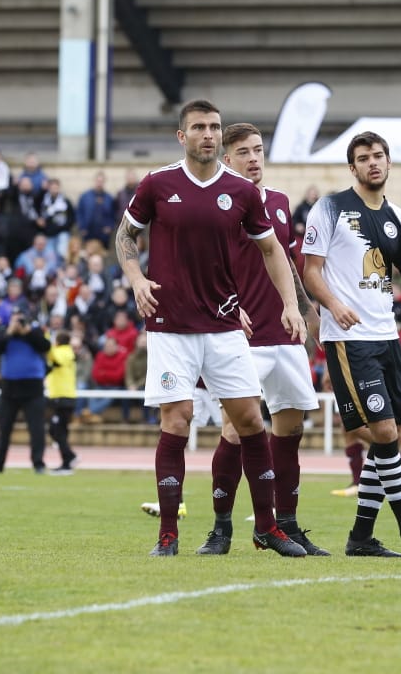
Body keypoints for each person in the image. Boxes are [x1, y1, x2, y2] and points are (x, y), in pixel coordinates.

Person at [115, 99, 307, 558]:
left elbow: (271, 251)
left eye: (214, 127)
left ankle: (267, 528)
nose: (208, 134)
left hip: (223, 326)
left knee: (249, 421)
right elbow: (125, 235)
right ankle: (167, 533)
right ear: (182, 136)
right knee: (176, 419)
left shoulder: (241, 191)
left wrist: (290, 305)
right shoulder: (157, 184)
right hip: (170, 326)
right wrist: (137, 279)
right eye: (199, 127)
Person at [301, 130, 401, 558]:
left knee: (392, 439)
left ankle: (360, 538)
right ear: (352, 167)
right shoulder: (330, 208)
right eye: (363, 157)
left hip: (387, 337)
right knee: (385, 433)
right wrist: (333, 306)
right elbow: (310, 271)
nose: (372, 162)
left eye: (378, 156)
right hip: (348, 339)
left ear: (389, 163)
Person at [193, 123, 326, 557]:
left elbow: (285, 259)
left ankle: (283, 526)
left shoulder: (281, 202)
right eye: (244, 152)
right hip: (240, 337)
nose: (254, 158)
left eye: (258, 150)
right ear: (226, 160)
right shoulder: (219, 204)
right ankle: (221, 529)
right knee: (236, 428)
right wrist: (230, 307)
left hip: (284, 334)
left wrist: (307, 309)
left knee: (291, 428)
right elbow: (204, 265)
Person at [0, 311, 51, 474]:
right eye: (14, 320)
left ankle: (38, 463)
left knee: (36, 429)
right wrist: (9, 332)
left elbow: (45, 346)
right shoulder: (4, 334)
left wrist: (27, 332)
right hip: (9, 387)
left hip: (33, 387)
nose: (17, 323)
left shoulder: (35, 333)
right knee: (4, 428)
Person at [44, 330, 78, 474]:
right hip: (60, 397)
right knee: (57, 430)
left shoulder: (65, 352)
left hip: (64, 397)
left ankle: (68, 460)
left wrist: (46, 340)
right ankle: (68, 458)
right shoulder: (64, 352)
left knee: (57, 430)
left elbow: (55, 357)